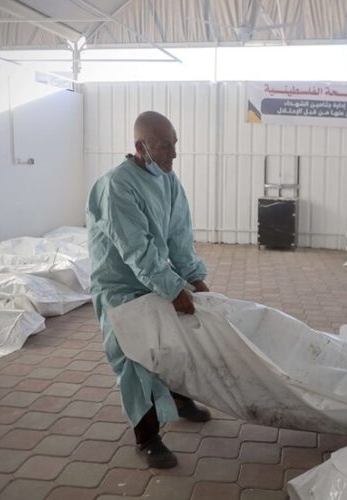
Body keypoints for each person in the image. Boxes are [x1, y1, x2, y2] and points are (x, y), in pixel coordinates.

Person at [87, 111, 211, 468]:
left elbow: (179, 236)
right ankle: (147, 437)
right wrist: (172, 288)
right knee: (134, 356)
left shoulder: (168, 180)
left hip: (153, 277)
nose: (173, 154)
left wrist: (193, 277)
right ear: (141, 148)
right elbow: (136, 249)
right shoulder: (117, 186)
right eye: (164, 147)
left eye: (175, 145)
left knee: (176, 340)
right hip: (120, 286)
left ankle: (179, 398)